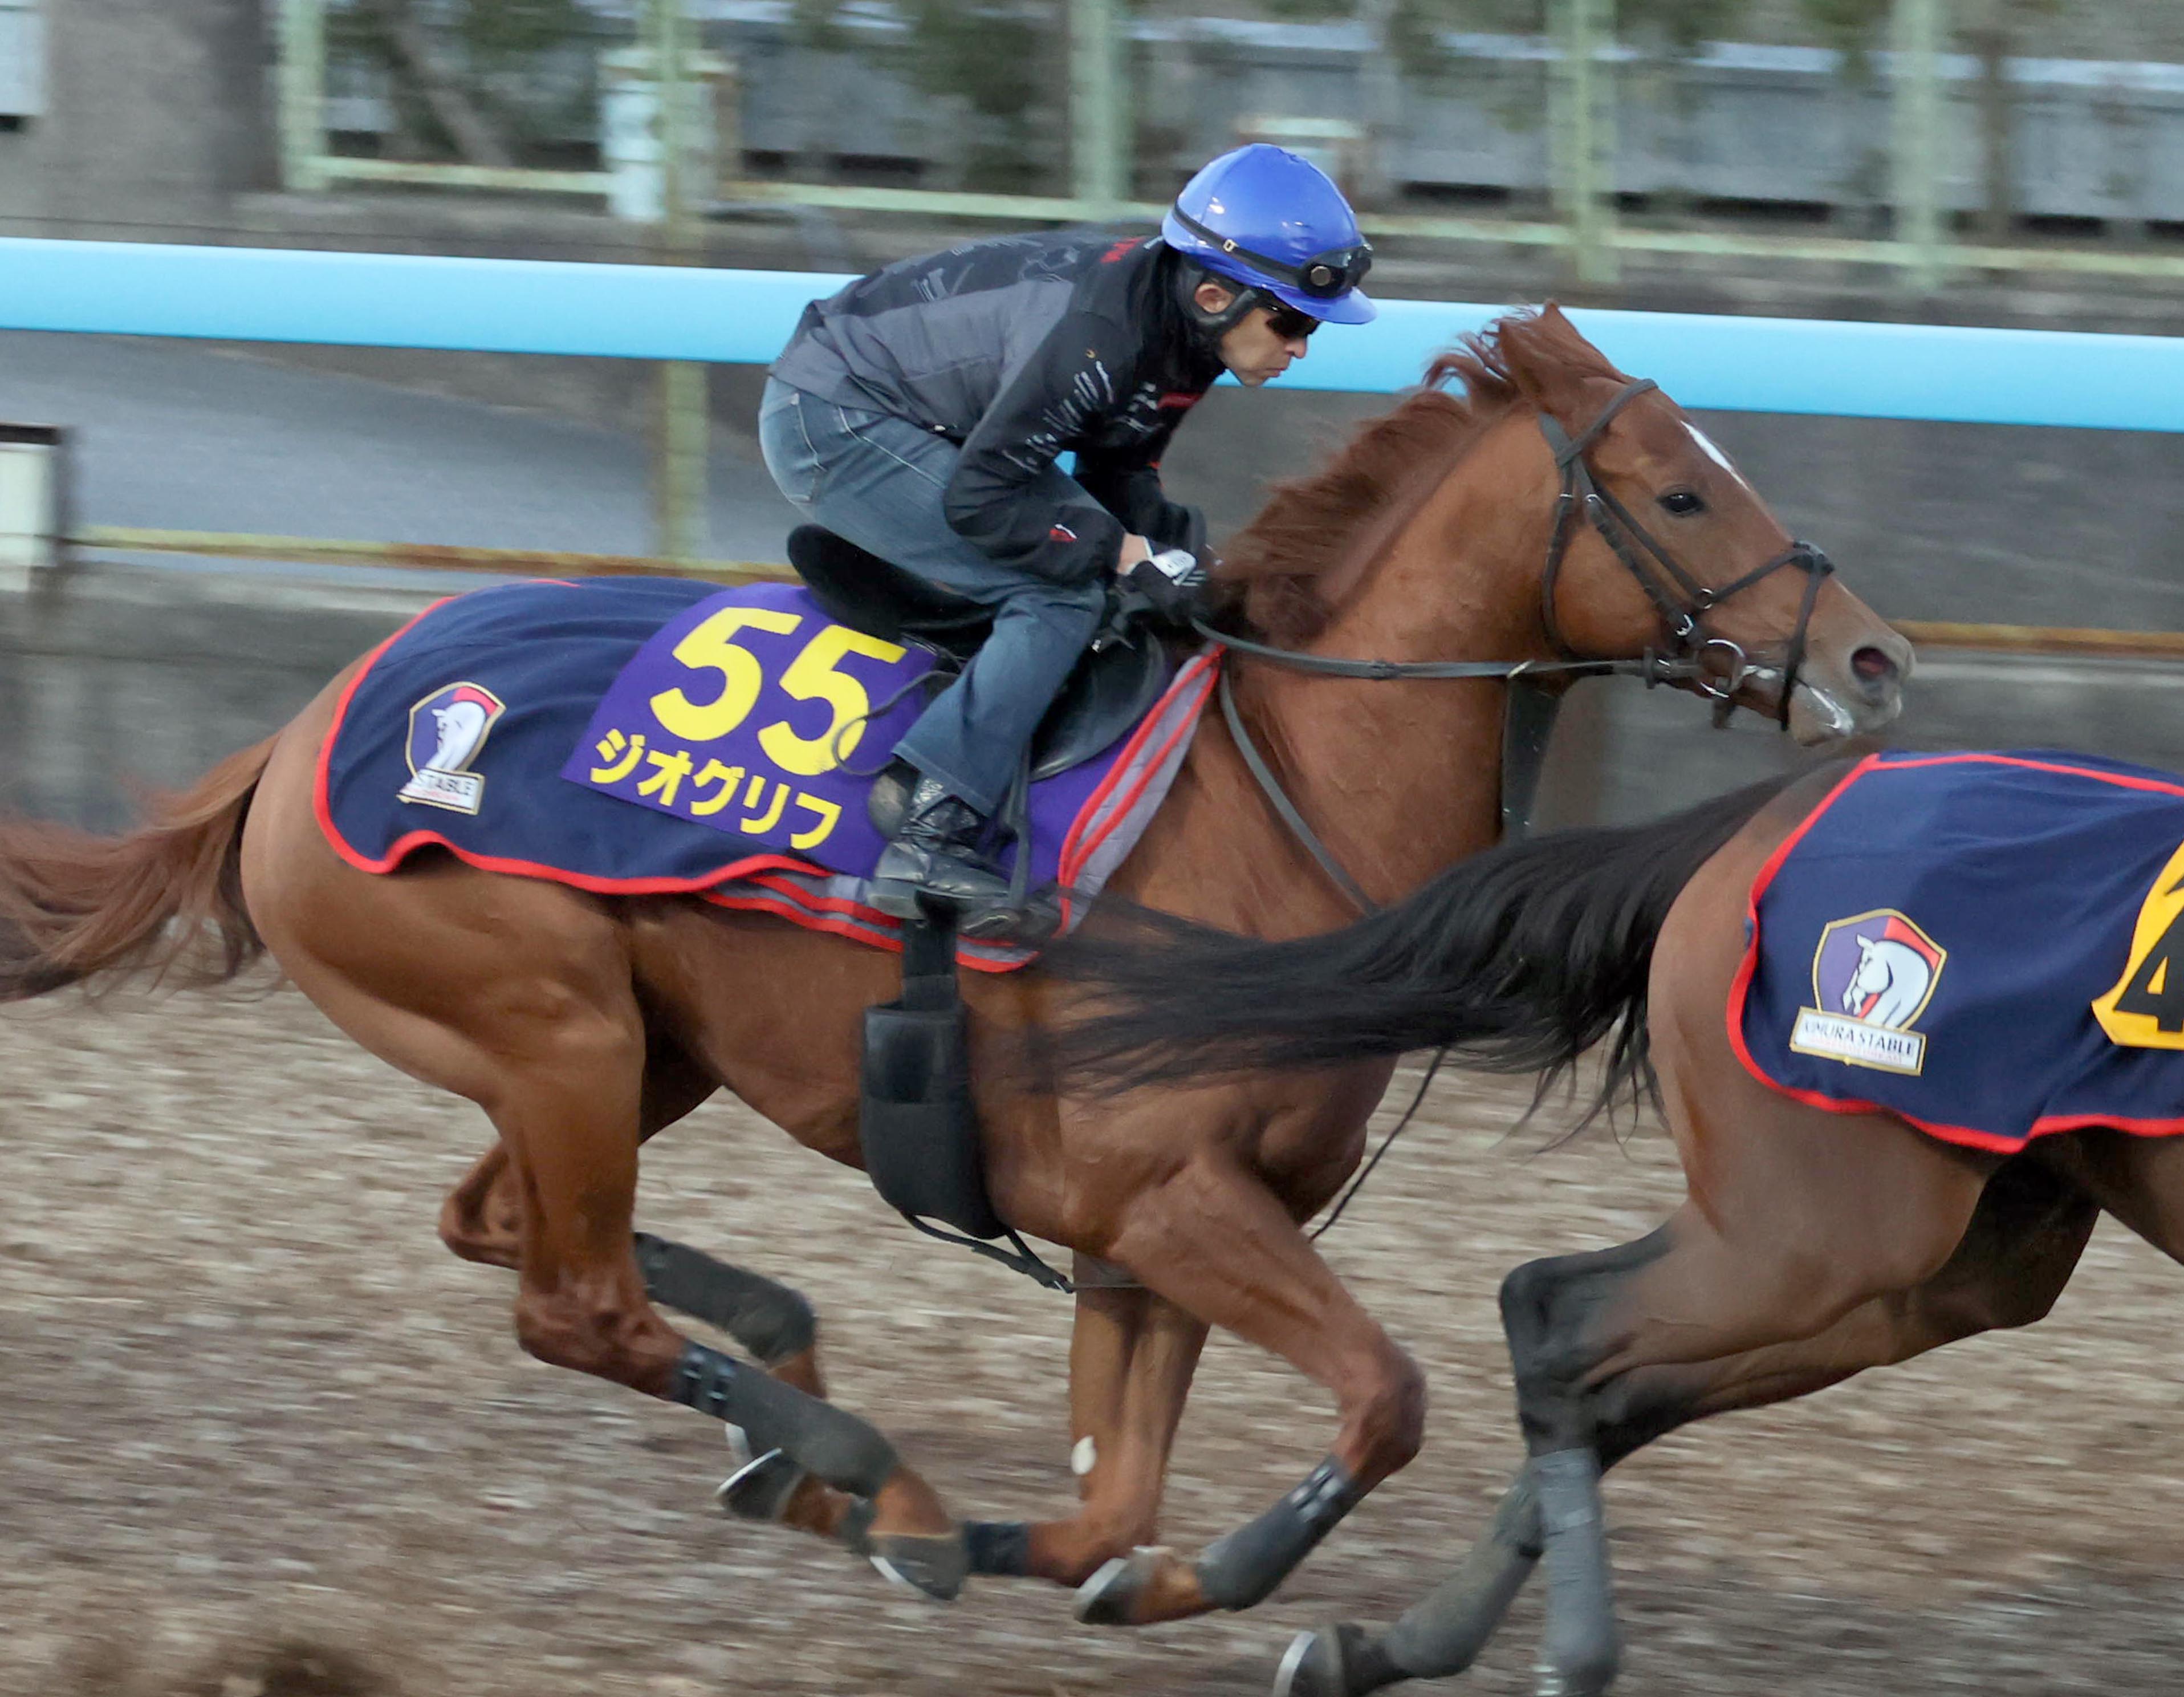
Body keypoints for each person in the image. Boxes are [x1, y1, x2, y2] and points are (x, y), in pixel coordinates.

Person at [758, 143, 1376, 931]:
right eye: (1291, 322)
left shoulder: (1182, 332)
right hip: (835, 415)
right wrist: (1125, 556)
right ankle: (927, 829)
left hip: (928, 419)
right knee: (1056, 593)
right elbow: (987, 499)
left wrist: (1197, 568)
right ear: (1216, 293)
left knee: (1125, 565)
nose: (1300, 346)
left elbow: (1121, 476)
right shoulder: (1101, 337)